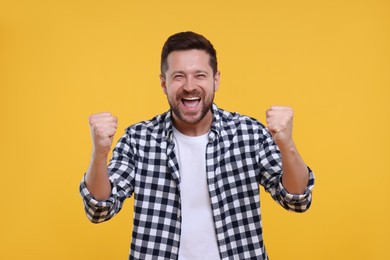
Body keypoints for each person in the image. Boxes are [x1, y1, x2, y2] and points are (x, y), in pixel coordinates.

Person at [80, 31, 315, 260]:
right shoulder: (138, 139)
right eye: (179, 76)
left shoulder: (248, 133)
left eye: (200, 75)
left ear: (216, 80)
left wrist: (286, 144)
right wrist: (99, 154)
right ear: (164, 83)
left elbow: (297, 200)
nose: (190, 86)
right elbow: (99, 210)